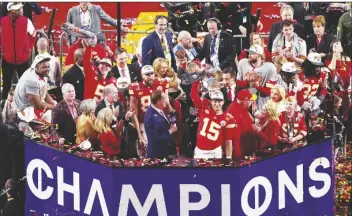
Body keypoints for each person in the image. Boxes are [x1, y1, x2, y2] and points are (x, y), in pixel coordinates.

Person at [129, 65, 172, 157]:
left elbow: (167, 103)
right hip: (144, 124)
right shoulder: (135, 88)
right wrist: (138, 133)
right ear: (142, 76)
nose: (150, 76)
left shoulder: (162, 83)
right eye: (147, 74)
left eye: (152, 73)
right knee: (146, 152)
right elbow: (134, 112)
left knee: (162, 149)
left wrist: (172, 121)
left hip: (161, 121)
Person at [0, 2, 36, 99]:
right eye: (18, 9)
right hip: (7, 58)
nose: (21, 11)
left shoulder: (26, 21)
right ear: (11, 11)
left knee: (24, 84)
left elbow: (33, 35)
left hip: (23, 59)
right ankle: (3, 104)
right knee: (6, 84)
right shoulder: (2, 22)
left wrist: (28, 48)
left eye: (20, 9)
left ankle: (26, 105)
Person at [191, 80, 234, 159]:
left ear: (223, 102)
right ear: (211, 101)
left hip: (215, 151)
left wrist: (228, 157)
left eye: (219, 101)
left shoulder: (228, 117)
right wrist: (196, 81)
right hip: (199, 150)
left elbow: (228, 140)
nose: (217, 104)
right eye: (214, 101)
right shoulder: (204, 106)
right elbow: (194, 96)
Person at [13, 54, 57, 126]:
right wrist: (55, 108)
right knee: (51, 116)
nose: (47, 69)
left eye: (48, 67)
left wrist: (54, 104)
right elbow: (38, 106)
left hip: (32, 104)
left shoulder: (42, 74)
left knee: (55, 106)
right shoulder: (32, 80)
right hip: (25, 110)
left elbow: (44, 92)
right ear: (36, 67)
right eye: (44, 67)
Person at [237, 44, 277, 111]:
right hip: (245, 101)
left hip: (261, 102)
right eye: (249, 53)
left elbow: (269, 91)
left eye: (252, 53)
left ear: (259, 55)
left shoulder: (270, 68)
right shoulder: (243, 63)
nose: (249, 55)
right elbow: (238, 85)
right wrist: (247, 81)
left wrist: (258, 86)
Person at [144, 90, 177, 158]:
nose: (166, 100)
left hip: (167, 151)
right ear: (159, 101)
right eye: (164, 98)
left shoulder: (158, 109)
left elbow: (172, 121)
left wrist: (169, 107)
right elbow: (156, 139)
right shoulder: (151, 117)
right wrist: (170, 131)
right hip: (158, 155)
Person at [226, 89, 257, 159]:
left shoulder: (242, 107)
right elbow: (242, 132)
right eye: (250, 100)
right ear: (244, 101)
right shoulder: (234, 110)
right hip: (240, 150)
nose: (252, 101)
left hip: (245, 146)